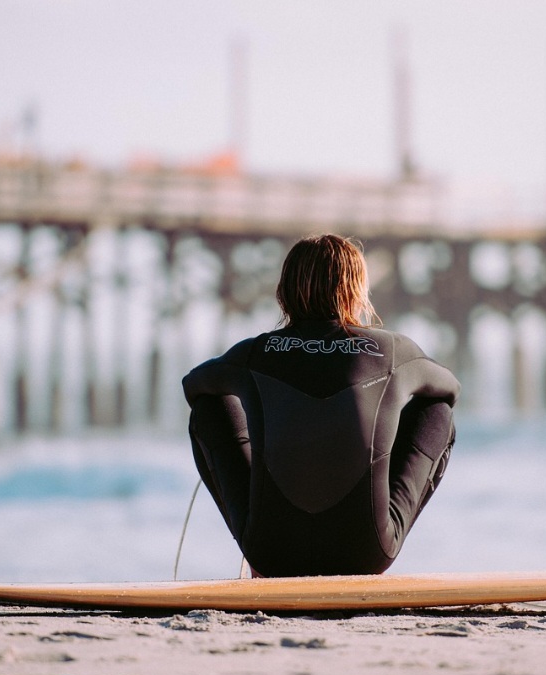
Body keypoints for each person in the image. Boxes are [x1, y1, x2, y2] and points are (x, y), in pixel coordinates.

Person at [182, 234, 459, 577]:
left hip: (271, 553)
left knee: (208, 410)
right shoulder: (389, 350)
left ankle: (257, 553)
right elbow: (449, 389)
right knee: (438, 412)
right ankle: (372, 524)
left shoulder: (255, 353)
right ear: (356, 291)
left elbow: (194, 386)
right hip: (365, 554)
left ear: (284, 292)